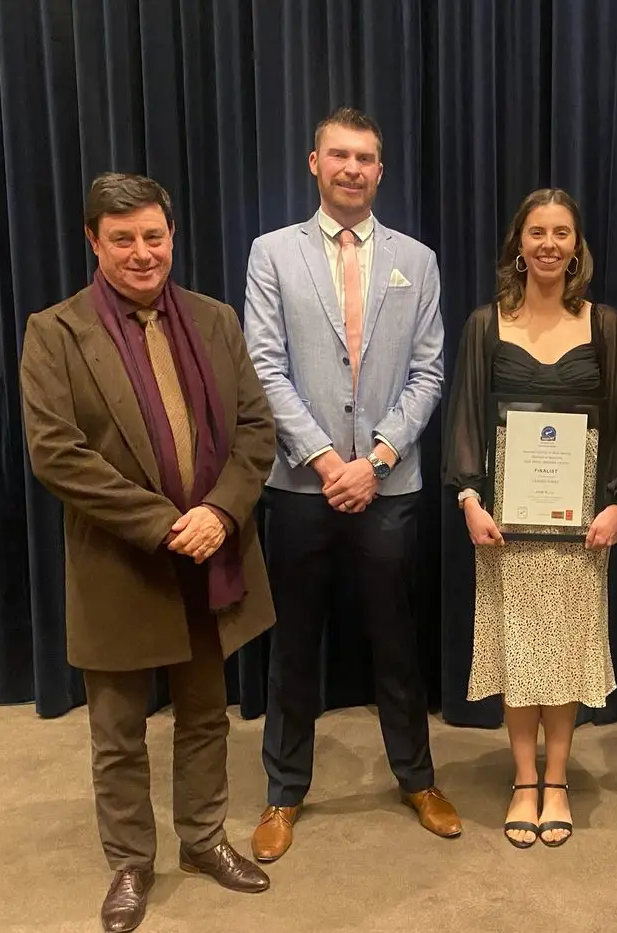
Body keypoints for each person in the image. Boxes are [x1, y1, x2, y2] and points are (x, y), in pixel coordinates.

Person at [19, 173, 276, 933]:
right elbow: (56, 454)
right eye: (123, 238)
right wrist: (168, 524)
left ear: (172, 236)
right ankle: (131, 860)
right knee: (117, 730)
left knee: (205, 715)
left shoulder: (214, 319)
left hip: (211, 556)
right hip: (121, 563)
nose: (141, 252)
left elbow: (256, 431)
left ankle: (202, 840)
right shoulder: (56, 332)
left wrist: (220, 514)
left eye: (153, 236)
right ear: (94, 241)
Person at [244, 106, 454, 861]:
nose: (353, 169)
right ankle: (282, 791)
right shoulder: (272, 253)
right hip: (301, 487)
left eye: (366, 158)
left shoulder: (417, 260)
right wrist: (330, 463)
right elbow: (263, 365)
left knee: (396, 641)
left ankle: (417, 778)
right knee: (293, 644)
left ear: (380, 170)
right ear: (314, 163)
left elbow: (430, 369)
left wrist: (379, 458)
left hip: (389, 487)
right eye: (340, 155)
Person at [443, 189, 617, 849]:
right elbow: (466, 415)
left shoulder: (605, 325)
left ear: (576, 245)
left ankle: (557, 778)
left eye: (561, 232)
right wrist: (469, 499)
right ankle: (522, 778)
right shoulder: (485, 324)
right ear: (518, 244)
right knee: (520, 648)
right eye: (537, 232)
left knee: (565, 651)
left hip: (580, 523)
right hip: (505, 523)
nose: (549, 243)